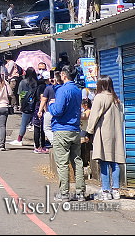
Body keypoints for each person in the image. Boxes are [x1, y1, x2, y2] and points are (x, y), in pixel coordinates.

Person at [48, 65, 86, 202]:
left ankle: (64, 193)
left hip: (62, 129)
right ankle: (80, 192)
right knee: (77, 161)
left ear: (63, 75)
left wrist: (50, 105)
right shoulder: (77, 90)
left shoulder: (63, 90)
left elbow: (58, 110)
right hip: (75, 129)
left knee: (62, 163)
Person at [87, 75, 125, 200]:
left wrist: (89, 131)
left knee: (104, 161)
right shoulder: (116, 99)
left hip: (104, 133)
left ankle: (106, 190)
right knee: (114, 161)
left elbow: (94, 116)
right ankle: (116, 190)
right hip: (116, 134)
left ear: (100, 85)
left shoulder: (99, 98)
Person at [10, 67, 39, 145]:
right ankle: (38, 141)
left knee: (23, 123)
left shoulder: (23, 82)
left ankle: (19, 139)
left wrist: (21, 104)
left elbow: (21, 95)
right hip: (36, 105)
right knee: (37, 124)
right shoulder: (37, 82)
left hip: (26, 105)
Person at [31, 72, 50, 153]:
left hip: (36, 107)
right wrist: (45, 110)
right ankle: (40, 146)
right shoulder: (43, 87)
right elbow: (43, 98)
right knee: (40, 128)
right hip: (40, 108)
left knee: (37, 127)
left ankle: (38, 146)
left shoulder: (37, 86)